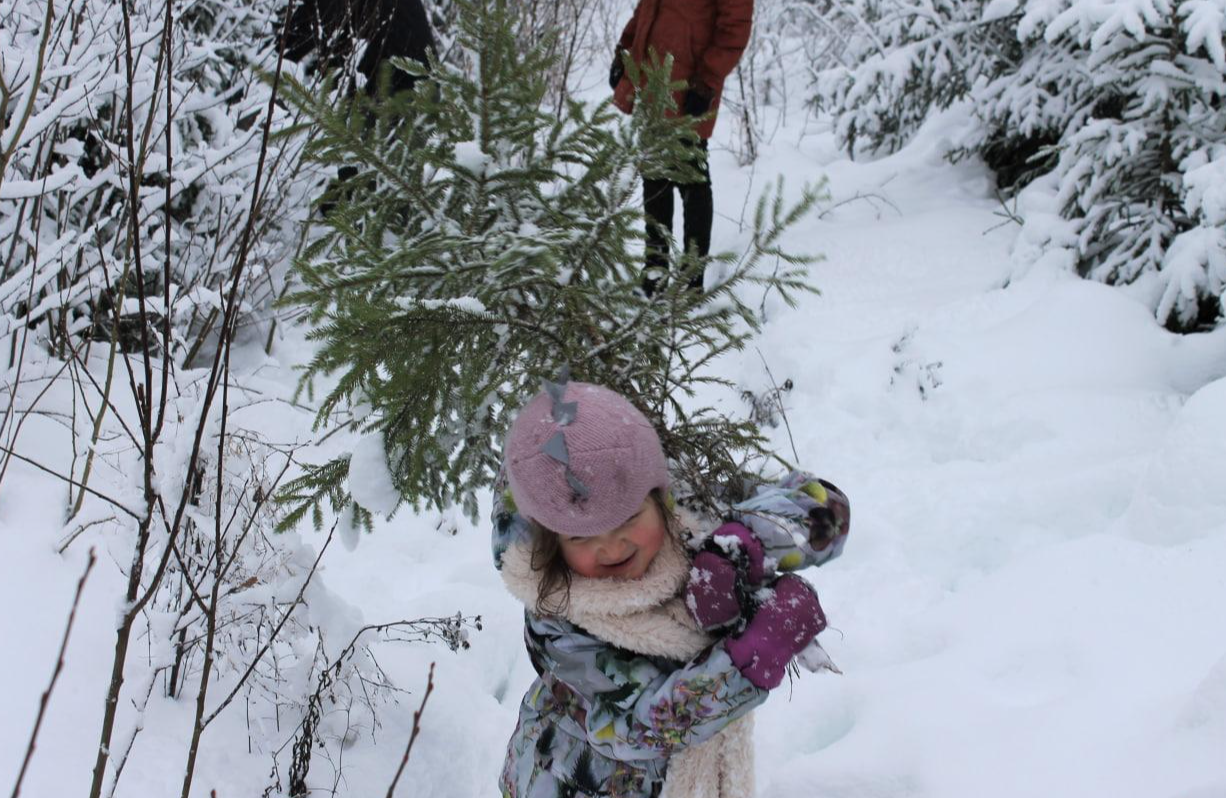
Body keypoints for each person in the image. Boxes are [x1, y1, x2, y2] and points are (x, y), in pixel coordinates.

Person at [493, 373, 850, 798]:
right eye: (581, 538)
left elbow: (825, 507)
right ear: (552, 541)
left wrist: (748, 543)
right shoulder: (559, 618)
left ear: (659, 497)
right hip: (575, 782)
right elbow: (636, 727)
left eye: (627, 519)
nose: (612, 547)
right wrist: (750, 659)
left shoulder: (688, 508)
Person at [609, 0, 754, 296]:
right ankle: (655, 274)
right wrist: (625, 53)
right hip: (652, 80)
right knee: (654, 178)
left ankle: (692, 280)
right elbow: (647, 10)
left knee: (692, 181)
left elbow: (735, 28)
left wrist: (707, 80)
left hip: (688, 87)